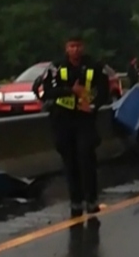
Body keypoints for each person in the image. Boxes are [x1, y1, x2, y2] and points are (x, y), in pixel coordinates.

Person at [40, 33, 110, 217]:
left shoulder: (94, 66)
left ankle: (91, 200)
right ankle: (76, 202)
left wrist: (92, 105)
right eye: (72, 46)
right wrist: (70, 90)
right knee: (69, 162)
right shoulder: (56, 68)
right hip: (62, 119)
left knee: (86, 158)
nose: (75, 50)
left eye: (78, 46)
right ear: (66, 48)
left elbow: (104, 92)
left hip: (84, 119)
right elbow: (47, 91)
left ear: (83, 47)